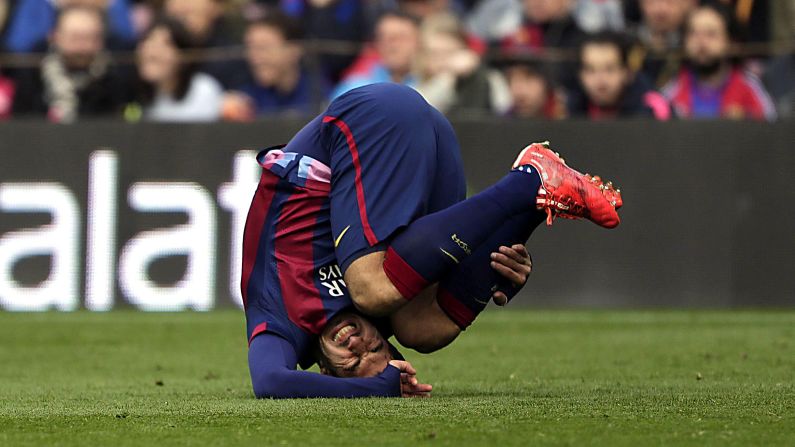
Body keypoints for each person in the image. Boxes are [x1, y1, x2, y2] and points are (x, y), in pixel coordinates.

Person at [243, 82, 623, 398]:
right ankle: (535, 204)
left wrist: (377, 389)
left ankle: (528, 180)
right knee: (421, 328)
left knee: (372, 288)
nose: (359, 345)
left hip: (367, 121)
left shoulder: (277, 320)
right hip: (431, 138)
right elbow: (441, 269)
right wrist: (497, 272)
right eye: (375, 348)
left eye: (353, 362)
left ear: (324, 370)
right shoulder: (380, 308)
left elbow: (270, 382)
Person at [11, 5, 131, 122]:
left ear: (101, 41)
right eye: (75, 38)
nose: (81, 47)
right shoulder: (33, 73)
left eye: (89, 38)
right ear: (55, 38)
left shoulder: (116, 76)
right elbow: (21, 119)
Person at [662, 3, 776, 121]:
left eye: (711, 34)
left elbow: (773, 130)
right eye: (693, 33)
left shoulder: (749, 88)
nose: (701, 43)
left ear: (733, 43)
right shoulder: (673, 89)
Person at [222, 12, 328, 120]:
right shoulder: (247, 99)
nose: (254, 57)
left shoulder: (320, 96)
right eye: (250, 48)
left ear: (294, 49)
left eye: (264, 47)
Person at [129, 17, 223, 122]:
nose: (152, 50)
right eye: (148, 40)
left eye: (166, 43)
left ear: (184, 57)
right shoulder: (131, 94)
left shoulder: (203, 90)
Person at [415, 13, 510, 117]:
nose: (441, 61)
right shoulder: (415, 82)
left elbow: (504, 108)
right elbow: (423, 110)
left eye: (449, 52)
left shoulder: (488, 77)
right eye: (434, 53)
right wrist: (449, 77)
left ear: (464, 51)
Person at [567, 32, 671, 120]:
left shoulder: (653, 111)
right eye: (590, 70)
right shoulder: (569, 110)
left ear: (627, 72)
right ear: (580, 74)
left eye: (609, 69)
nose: (600, 79)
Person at [330, 12, 420, 99]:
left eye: (400, 38)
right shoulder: (355, 88)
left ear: (418, 42)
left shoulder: (427, 86)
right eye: (384, 38)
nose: (392, 46)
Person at [3, 0, 135, 53]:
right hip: (46, 79)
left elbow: (128, 43)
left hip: (104, 78)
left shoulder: (114, 5)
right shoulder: (37, 4)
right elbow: (18, 47)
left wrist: (106, 7)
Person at [632, 0, 696, 87]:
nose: (661, 9)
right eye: (652, 2)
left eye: (669, 2)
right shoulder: (628, 42)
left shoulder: (694, 43)